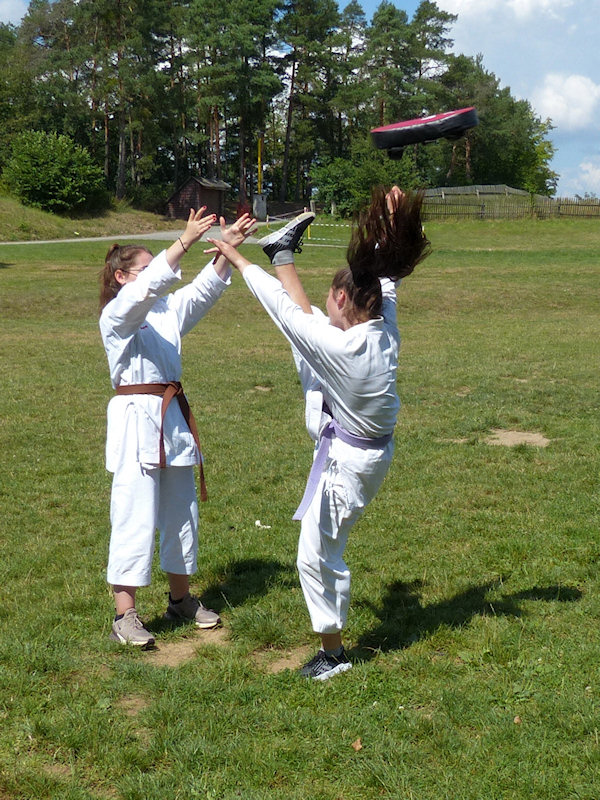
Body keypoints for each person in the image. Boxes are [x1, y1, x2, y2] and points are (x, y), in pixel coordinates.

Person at [207, 187, 431, 680]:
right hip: (358, 443)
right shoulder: (382, 324)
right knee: (308, 345)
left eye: (329, 296)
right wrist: (393, 225)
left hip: (349, 463)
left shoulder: (345, 350)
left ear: (342, 298)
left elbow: (286, 314)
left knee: (316, 555)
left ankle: (333, 655)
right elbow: (386, 280)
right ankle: (281, 251)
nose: (324, 304)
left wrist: (239, 261)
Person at [99, 208, 256, 647]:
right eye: (145, 269)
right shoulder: (116, 315)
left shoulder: (165, 312)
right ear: (121, 277)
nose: (156, 275)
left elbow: (202, 291)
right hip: (136, 423)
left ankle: (181, 599)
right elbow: (147, 289)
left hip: (171, 420)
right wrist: (184, 242)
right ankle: (125, 615)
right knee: (133, 515)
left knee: (181, 513)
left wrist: (227, 249)